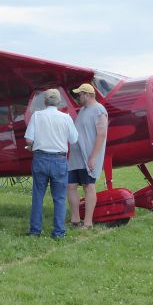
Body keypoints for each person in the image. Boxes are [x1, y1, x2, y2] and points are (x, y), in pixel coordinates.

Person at [24, 89, 78, 239]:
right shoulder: (66, 118)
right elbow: (74, 139)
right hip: (59, 160)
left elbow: (29, 140)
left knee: (38, 196)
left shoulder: (37, 116)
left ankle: (35, 230)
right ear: (59, 102)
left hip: (40, 158)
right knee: (59, 198)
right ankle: (59, 232)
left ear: (45, 101)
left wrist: (31, 147)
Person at [67, 83, 108, 229]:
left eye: (80, 95)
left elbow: (101, 135)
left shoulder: (99, 110)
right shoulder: (83, 110)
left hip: (88, 156)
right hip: (75, 158)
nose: (78, 98)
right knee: (70, 186)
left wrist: (93, 157)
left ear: (88, 95)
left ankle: (88, 222)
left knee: (88, 186)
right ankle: (75, 220)